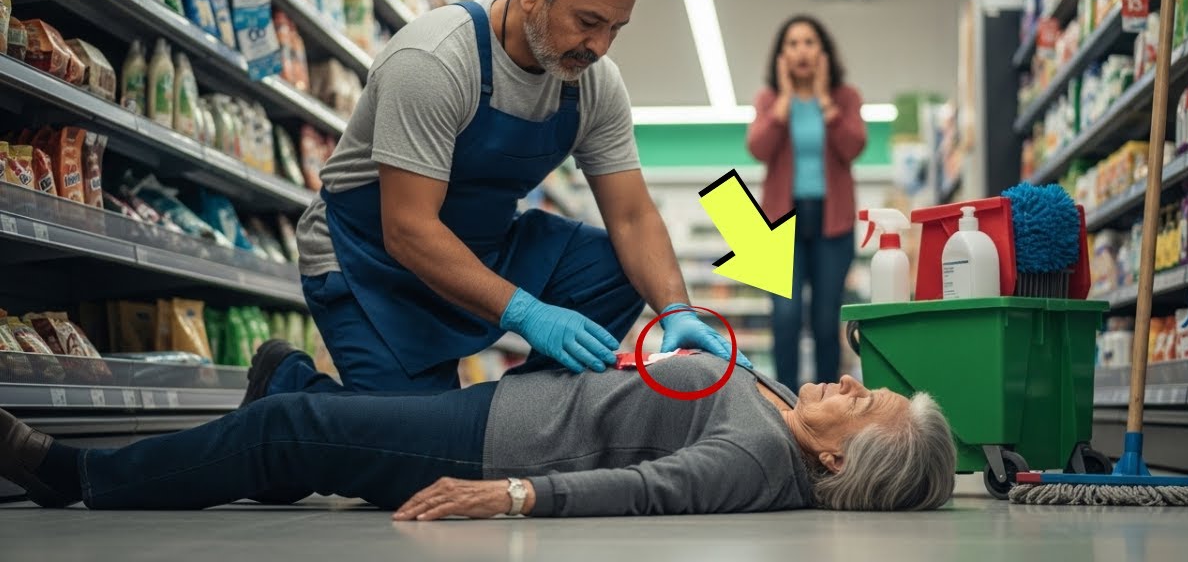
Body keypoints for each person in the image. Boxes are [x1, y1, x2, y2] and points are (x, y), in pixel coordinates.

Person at [276, 0, 745, 398]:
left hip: (481, 247)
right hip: (369, 261)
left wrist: (676, 309)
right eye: (588, 21)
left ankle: (519, 414)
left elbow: (631, 217)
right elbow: (408, 230)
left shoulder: (593, 84)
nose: (600, 46)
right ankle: (285, 384)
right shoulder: (434, 61)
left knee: (613, 269)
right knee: (409, 450)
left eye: (615, 28)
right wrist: (527, 312)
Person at [1, 354, 956, 516]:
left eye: (866, 405)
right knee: (320, 417)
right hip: (503, 406)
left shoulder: (757, 455)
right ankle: (297, 393)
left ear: (841, 458)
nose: (856, 384)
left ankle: (77, 479)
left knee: (291, 430)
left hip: (495, 449)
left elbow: (649, 490)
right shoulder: (780, 406)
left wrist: (509, 496)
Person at [747, 15, 868, 393]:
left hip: (833, 221)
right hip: (779, 222)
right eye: (793, 43)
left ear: (824, 51)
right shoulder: (769, 100)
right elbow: (758, 148)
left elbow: (854, 146)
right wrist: (782, 103)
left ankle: (828, 402)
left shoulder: (845, 97)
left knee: (824, 319)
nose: (802, 50)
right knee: (784, 315)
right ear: (781, 55)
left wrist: (827, 103)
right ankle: (783, 403)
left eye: (810, 42)